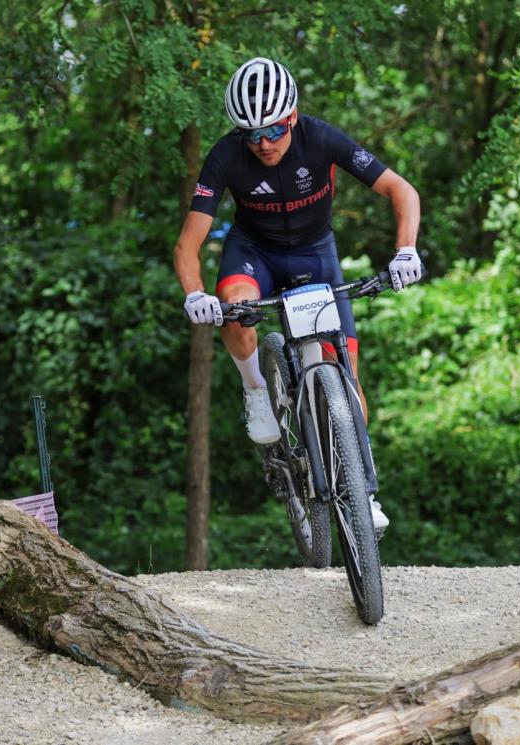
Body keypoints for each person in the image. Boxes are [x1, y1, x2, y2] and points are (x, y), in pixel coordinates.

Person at [173, 57, 423, 534]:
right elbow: (188, 244)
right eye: (251, 134)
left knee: (347, 374)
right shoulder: (227, 155)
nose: (262, 144)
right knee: (236, 310)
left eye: (272, 131)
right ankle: (255, 391)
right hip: (254, 253)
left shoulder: (321, 137)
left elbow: (401, 189)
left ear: (291, 117)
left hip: (315, 255)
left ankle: (359, 487)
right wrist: (194, 294)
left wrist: (406, 250)